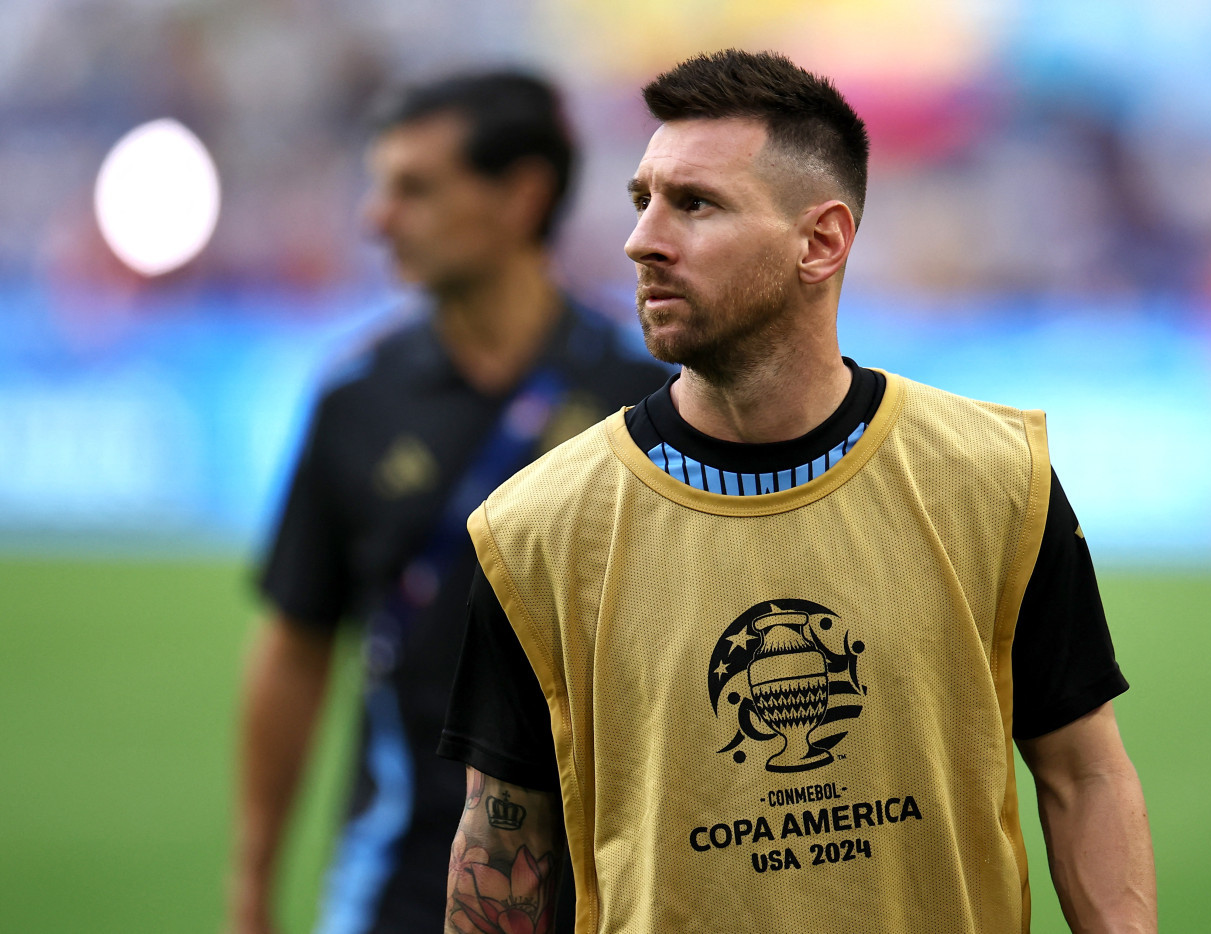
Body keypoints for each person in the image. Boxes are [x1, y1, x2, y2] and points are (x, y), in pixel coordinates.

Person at [438, 50, 1157, 934]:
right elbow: (502, 842)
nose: (642, 238)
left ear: (822, 242)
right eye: (643, 200)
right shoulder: (537, 530)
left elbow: (1083, 774)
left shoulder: (994, 478)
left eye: (694, 204)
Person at [226, 72, 667, 934]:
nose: (375, 219)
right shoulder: (357, 400)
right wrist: (251, 886)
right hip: (400, 881)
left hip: (615, 891)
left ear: (522, 195)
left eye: (414, 188)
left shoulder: (648, 398)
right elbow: (294, 644)